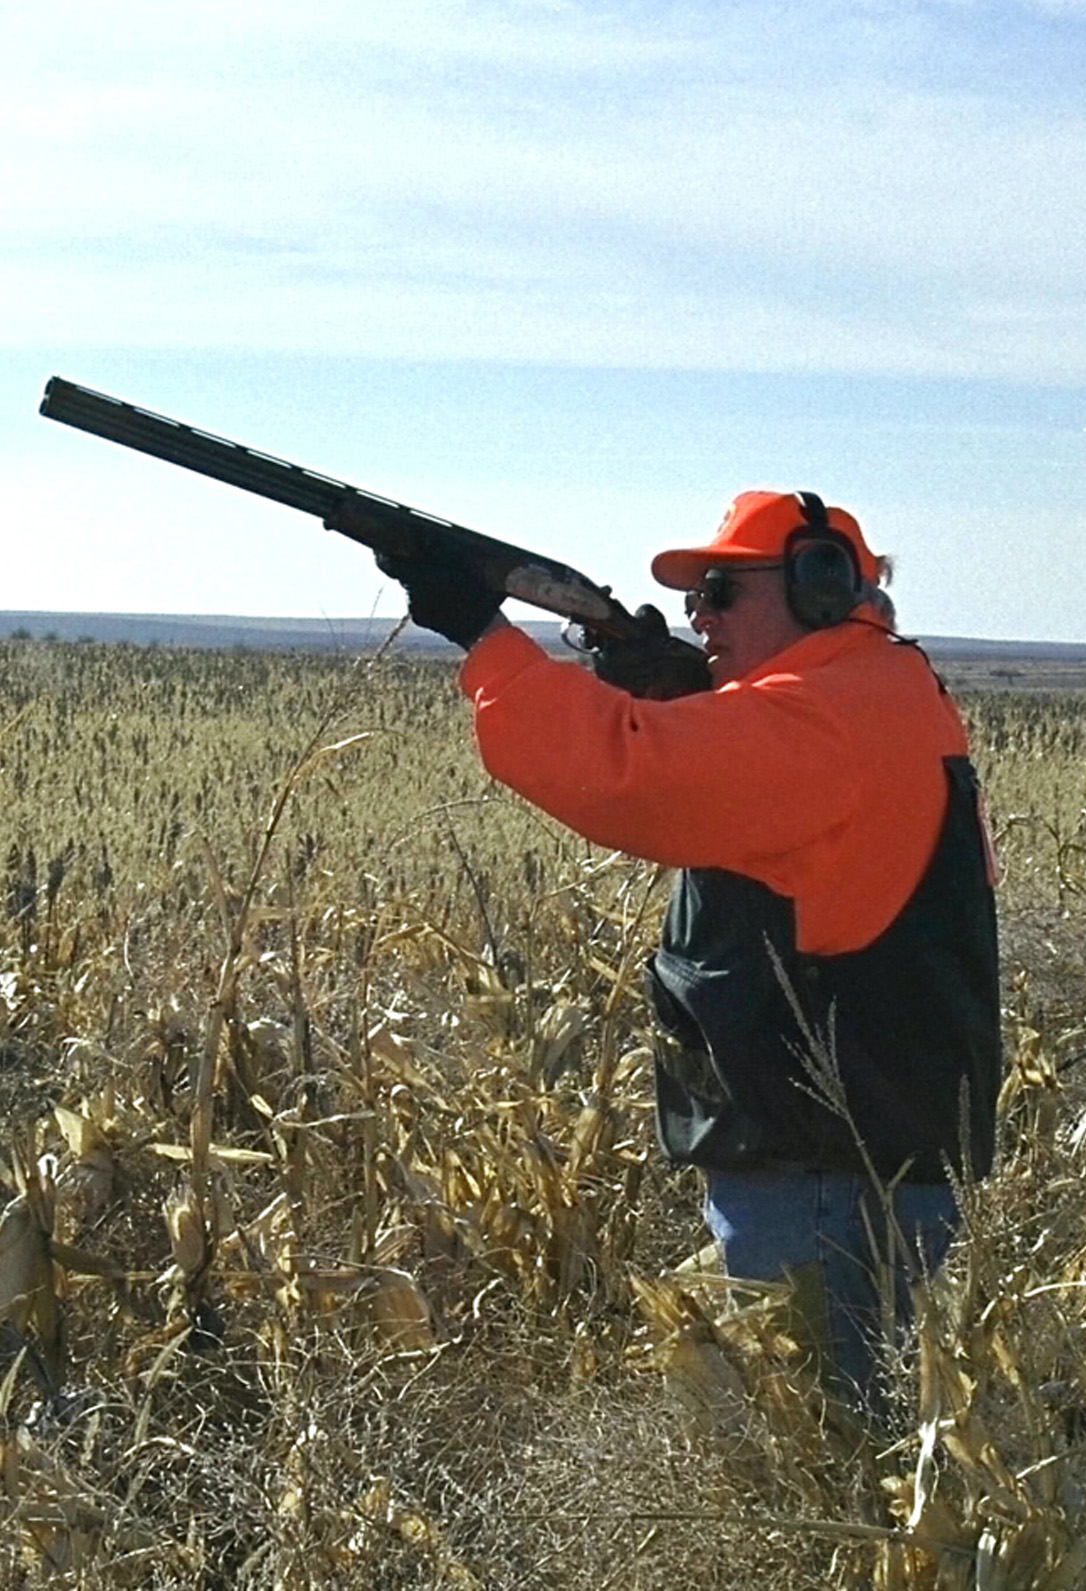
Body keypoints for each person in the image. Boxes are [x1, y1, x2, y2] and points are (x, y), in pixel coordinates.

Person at [379, 489, 1000, 1415]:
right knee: (830, 1434)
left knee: (818, 1455)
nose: (697, 615)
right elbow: (761, 783)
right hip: (849, 1161)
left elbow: (624, 776)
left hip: (827, 1178)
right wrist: (689, 692)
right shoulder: (880, 691)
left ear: (820, 585)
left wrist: (484, 636)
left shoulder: (830, 716)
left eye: (718, 590)